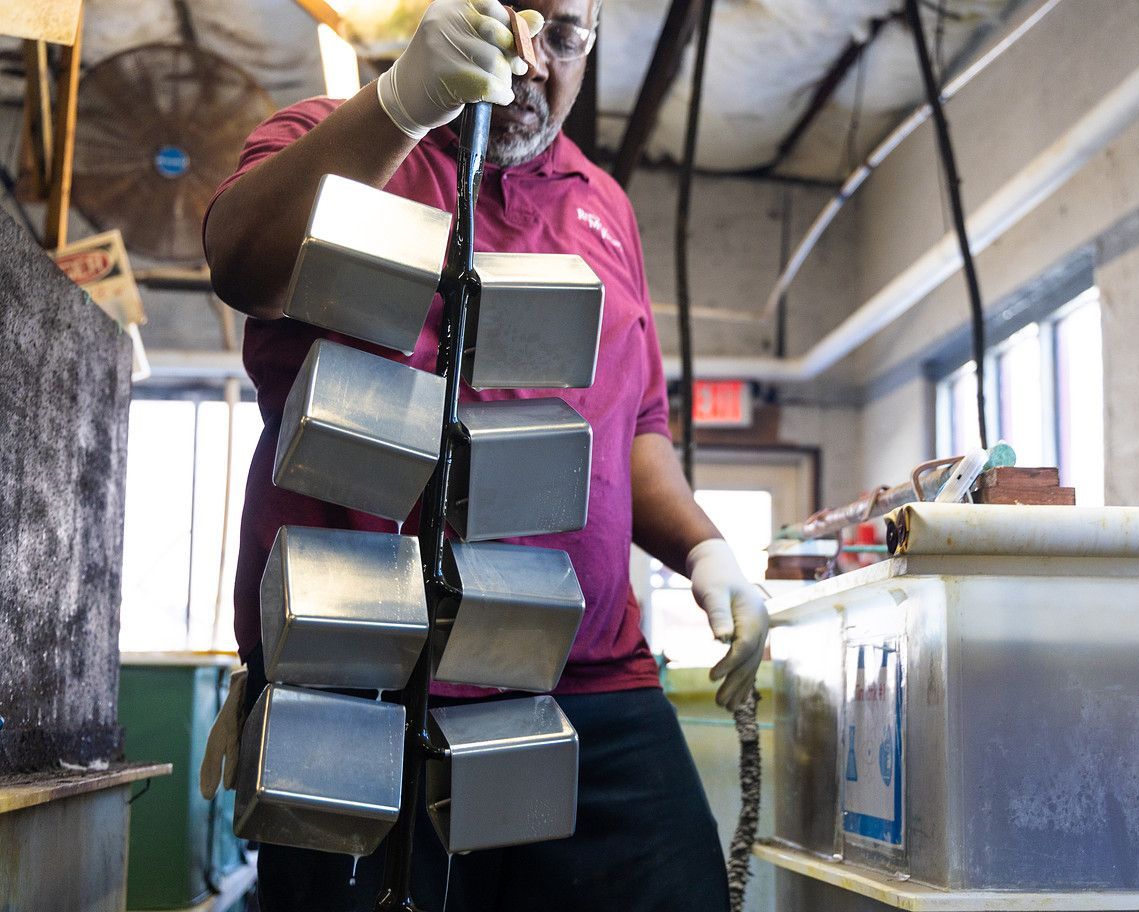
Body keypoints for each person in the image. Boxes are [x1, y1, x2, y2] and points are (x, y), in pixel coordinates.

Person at [200, 0, 769, 909]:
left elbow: (637, 428)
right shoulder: (337, 139)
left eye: (567, 39)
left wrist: (708, 551)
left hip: (586, 679)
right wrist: (399, 106)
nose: (535, 63)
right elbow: (240, 262)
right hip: (363, 687)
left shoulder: (605, 205)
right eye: (515, 23)